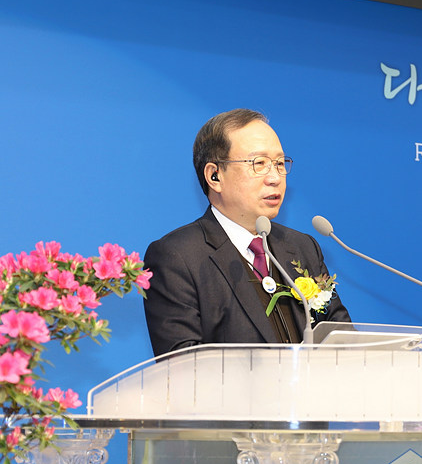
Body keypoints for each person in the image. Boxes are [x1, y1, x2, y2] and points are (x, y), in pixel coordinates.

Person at [142, 109, 352, 357]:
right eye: (259, 164)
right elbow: (183, 364)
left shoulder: (302, 247)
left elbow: (343, 342)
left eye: (279, 164)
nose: (275, 177)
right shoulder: (177, 258)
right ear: (214, 176)